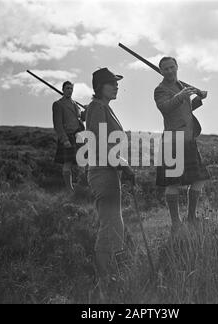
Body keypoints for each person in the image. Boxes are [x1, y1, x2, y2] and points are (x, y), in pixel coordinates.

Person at [85, 68, 135, 296]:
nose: (116, 87)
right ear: (100, 87)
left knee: (114, 225)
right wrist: (123, 165)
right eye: (112, 83)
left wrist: (121, 165)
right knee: (110, 225)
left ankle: (111, 278)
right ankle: (104, 283)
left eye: (117, 83)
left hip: (109, 171)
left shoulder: (104, 107)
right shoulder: (96, 107)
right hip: (102, 172)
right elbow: (99, 142)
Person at [154, 57, 210, 234]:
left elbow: (185, 109)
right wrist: (181, 96)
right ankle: (176, 223)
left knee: (199, 179)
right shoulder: (160, 90)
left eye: (171, 67)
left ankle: (191, 217)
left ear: (177, 67)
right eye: (165, 69)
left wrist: (199, 98)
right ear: (161, 71)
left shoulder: (180, 86)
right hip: (173, 141)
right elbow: (165, 108)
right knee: (174, 183)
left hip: (188, 139)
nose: (169, 71)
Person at [52, 81, 85, 193]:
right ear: (63, 90)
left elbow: (81, 118)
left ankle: (82, 185)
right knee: (67, 163)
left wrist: (88, 110)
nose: (69, 90)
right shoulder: (58, 104)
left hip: (78, 136)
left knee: (83, 161)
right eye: (67, 88)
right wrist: (64, 139)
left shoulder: (75, 104)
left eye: (71, 88)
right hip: (68, 136)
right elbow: (58, 124)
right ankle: (69, 189)